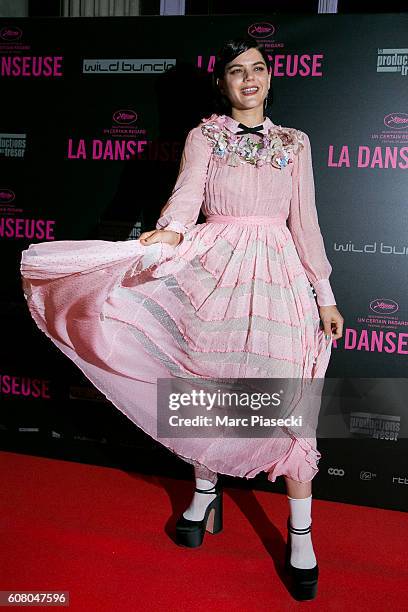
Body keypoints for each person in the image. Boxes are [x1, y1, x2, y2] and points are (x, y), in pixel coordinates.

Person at [20, 37, 343, 601]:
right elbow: (185, 197)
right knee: (206, 385)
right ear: (221, 84)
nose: (249, 79)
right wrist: (167, 232)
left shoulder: (296, 143)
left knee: (289, 398)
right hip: (214, 267)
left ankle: (301, 534)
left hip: (280, 278)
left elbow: (307, 222)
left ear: (271, 78)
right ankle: (203, 493)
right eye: (237, 71)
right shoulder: (205, 135)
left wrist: (326, 294)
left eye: (259, 69)